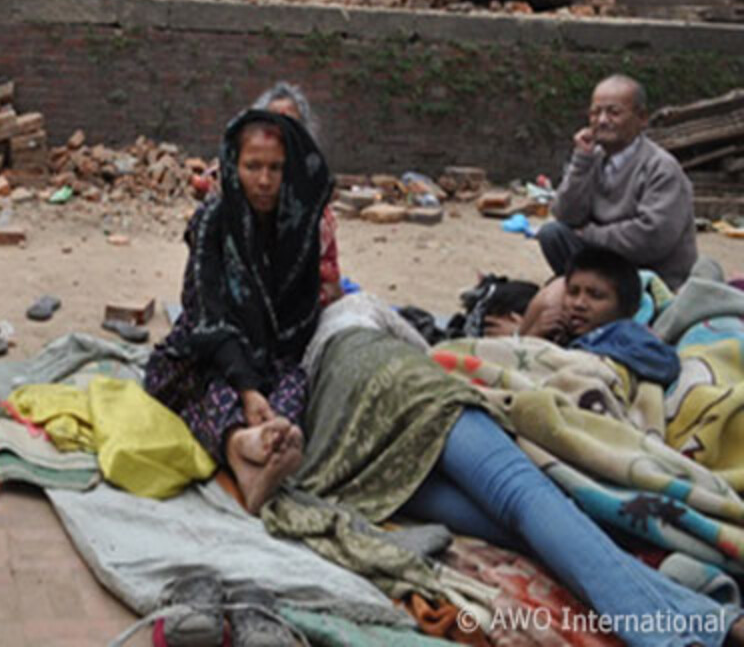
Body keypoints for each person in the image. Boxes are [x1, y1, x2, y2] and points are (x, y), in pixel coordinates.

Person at [290, 320, 744, 647]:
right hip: (421, 403)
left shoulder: (289, 369)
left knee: (521, 533)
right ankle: (689, 630)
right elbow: (434, 353)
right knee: (530, 503)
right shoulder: (358, 311)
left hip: (374, 472)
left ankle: (703, 623)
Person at [145, 108, 332, 512]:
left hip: (270, 355)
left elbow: (301, 316)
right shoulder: (213, 219)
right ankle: (242, 445)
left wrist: (261, 377)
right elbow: (205, 317)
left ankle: (261, 453)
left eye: (276, 168)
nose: (264, 181)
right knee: (212, 388)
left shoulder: (298, 229)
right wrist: (247, 388)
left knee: (294, 383)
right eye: (252, 167)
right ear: (233, 164)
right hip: (206, 351)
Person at [537, 74, 695, 289]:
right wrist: (582, 160)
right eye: (595, 112)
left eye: (614, 112)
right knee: (553, 234)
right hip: (607, 261)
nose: (602, 120)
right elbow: (566, 214)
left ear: (642, 118)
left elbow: (652, 238)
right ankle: (590, 290)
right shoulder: (593, 158)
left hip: (651, 273)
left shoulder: (661, 168)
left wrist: (590, 234)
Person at [515, 246, 679, 384]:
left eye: (595, 295)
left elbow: (666, 364)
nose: (579, 304)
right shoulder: (560, 333)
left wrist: (587, 352)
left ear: (627, 309)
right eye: (573, 292)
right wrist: (534, 336)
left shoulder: (624, 333)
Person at [254, 82, 342, 307]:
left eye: (291, 124)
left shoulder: (316, 209)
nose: (282, 133)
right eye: (273, 123)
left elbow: (330, 284)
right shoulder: (239, 192)